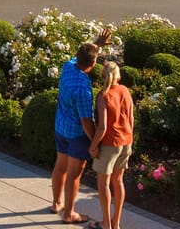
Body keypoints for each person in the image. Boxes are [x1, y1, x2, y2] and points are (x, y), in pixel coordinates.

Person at [51, 28, 111, 224]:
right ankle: (69, 214)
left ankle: (56, 203)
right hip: (77, 135)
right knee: (74, 174)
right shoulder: (83, 89)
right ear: (93, 64)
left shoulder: (68, 67)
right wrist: (95, 144)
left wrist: (97, 44)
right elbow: (86, 121)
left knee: (60, 166)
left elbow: (81, 56)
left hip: (61, 128)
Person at [89, 62, 134, 229]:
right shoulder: (125, 91)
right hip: (126, 141)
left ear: (102, 76)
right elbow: (131, 118)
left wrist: (93, 146)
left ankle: (106, 225)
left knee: (103, 185)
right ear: (119, 76)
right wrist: (130, 137)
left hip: (109, 144)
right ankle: (116, 222)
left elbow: (102, 127)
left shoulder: (103, 95)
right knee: (119, 181)